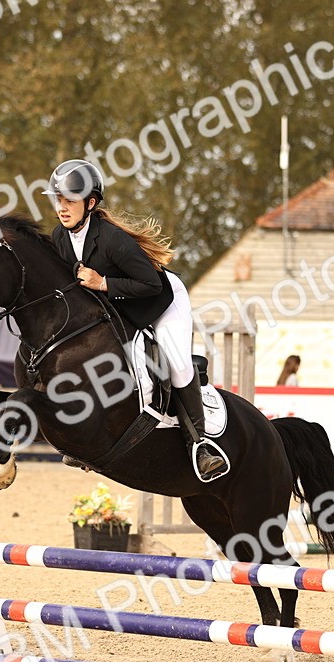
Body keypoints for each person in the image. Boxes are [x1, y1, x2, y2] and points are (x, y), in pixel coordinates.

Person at [43, 159, 226, 480]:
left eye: (69, 200)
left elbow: (152, 284)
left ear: (90, 203)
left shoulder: (113, 239)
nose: (62, 207)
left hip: (162, 300)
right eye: (58, 200)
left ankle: (200, 444)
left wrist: (102, 282)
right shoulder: (60, 237)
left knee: (176, 360)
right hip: (121, 304)